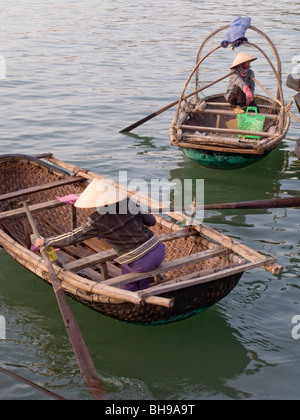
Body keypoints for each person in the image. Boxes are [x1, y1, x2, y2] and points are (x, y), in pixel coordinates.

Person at [35, 178, 166, 292]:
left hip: (141, 262)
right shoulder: (128, 203)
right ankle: (145, 288)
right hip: (159, 251)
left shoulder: (96, 221)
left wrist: (46, 241)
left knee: (128, 269)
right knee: (140, 267)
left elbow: (74, 236)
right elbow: (151, 221)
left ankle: (132, 294)